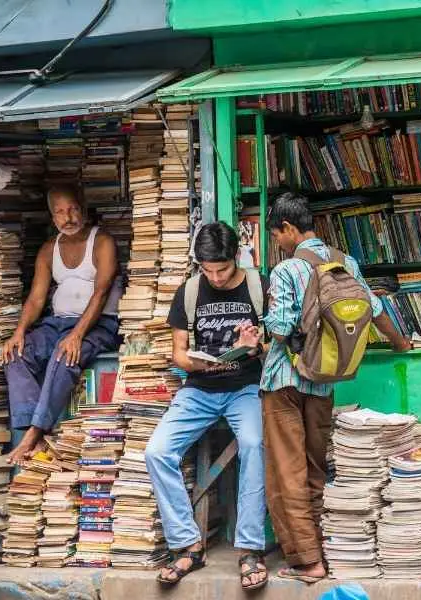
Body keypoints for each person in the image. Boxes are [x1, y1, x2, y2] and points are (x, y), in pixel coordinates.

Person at [262, 193, 412, 583]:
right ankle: (323, 547)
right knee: (315, 465)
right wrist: (401, 344)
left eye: (277, 235)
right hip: (325, 382)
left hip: (286, 382)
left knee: (286, 471)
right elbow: (375, 311)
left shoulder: (287, 269)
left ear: (289, 229)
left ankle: (308, 561)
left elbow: (279, 329)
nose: (277, 243)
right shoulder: (346, 263)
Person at [143, 222, 269, 590]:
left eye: (222, 269)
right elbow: (178, 354)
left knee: (254, 445)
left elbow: (277, 346)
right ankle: (187, 544)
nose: (214, 276)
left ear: (237, 258)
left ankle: (248, 548)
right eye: (206, 269)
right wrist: (199, 363)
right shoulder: (189, 291)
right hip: (198, 389)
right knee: (157, 451)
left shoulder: (259, 288)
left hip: (245, 387)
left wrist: (253, 345)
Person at [2, 185, 122, 464]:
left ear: (83, 208)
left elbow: (101, 292)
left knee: (63, 354)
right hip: (55, 323)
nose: (67, 218)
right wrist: (18, 333)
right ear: (52, 216)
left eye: (72, 209)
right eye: (59, 212)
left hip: (98, 325)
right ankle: (39, 432)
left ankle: (31, 436)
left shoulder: (102, 242)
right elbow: (35, 298)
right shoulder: (49, 250)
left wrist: (78, 335)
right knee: (15, 355)